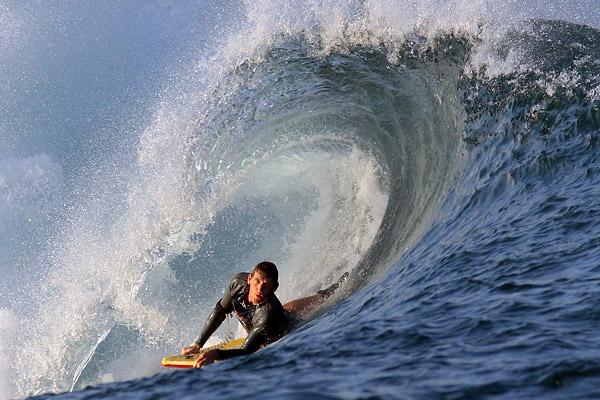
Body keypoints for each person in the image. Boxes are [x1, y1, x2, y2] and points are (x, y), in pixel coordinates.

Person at [181, 261, 346, 368]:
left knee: (286, 315)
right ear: (250, 278)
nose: (260, 289)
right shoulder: (237, 284)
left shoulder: (267, 313)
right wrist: (198, 344)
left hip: (284, 330)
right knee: (287, 309)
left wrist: (216, 354)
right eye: (257, 281)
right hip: (277, 315)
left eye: (266, 285)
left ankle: (336, 290)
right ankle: (325, 293)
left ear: (274, 288)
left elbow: (247, 350)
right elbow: (220, 311)